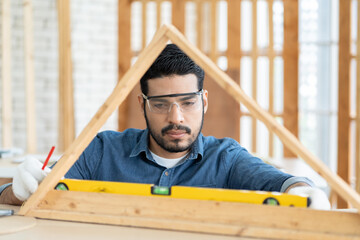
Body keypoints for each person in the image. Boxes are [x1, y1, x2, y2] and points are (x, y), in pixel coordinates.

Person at [0, 44, 330, 210]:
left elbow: (284, 182)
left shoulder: (225, 158)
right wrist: (18, 189)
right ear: (142, 105)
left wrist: (302, 191)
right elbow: (22, 196)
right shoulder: (102, 151)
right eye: (160, 105)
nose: (176, 118)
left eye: (187, 102)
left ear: (204, 102)